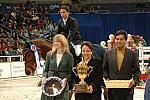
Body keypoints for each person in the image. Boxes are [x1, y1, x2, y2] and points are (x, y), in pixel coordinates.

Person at [103, 30, 141, 100]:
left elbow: (137, 71)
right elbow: (104, 69)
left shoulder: (132, 54)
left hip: (127, 90)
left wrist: (134, 81)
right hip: (112, 90)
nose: (119, 41)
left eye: (121, 39)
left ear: (125, 40)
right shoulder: (108, 53)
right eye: (117, 39)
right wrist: (106, 77)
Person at [40, 34, 74, 100]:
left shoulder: (69, 56)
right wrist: (44, 77)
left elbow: (70, 72)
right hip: (49, 84)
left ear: (62, 43)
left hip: (62, 85)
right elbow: (46, 70)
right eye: (54, 41)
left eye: (57, 41)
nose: (55, 43)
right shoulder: (49, 54)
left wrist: (66, 79)